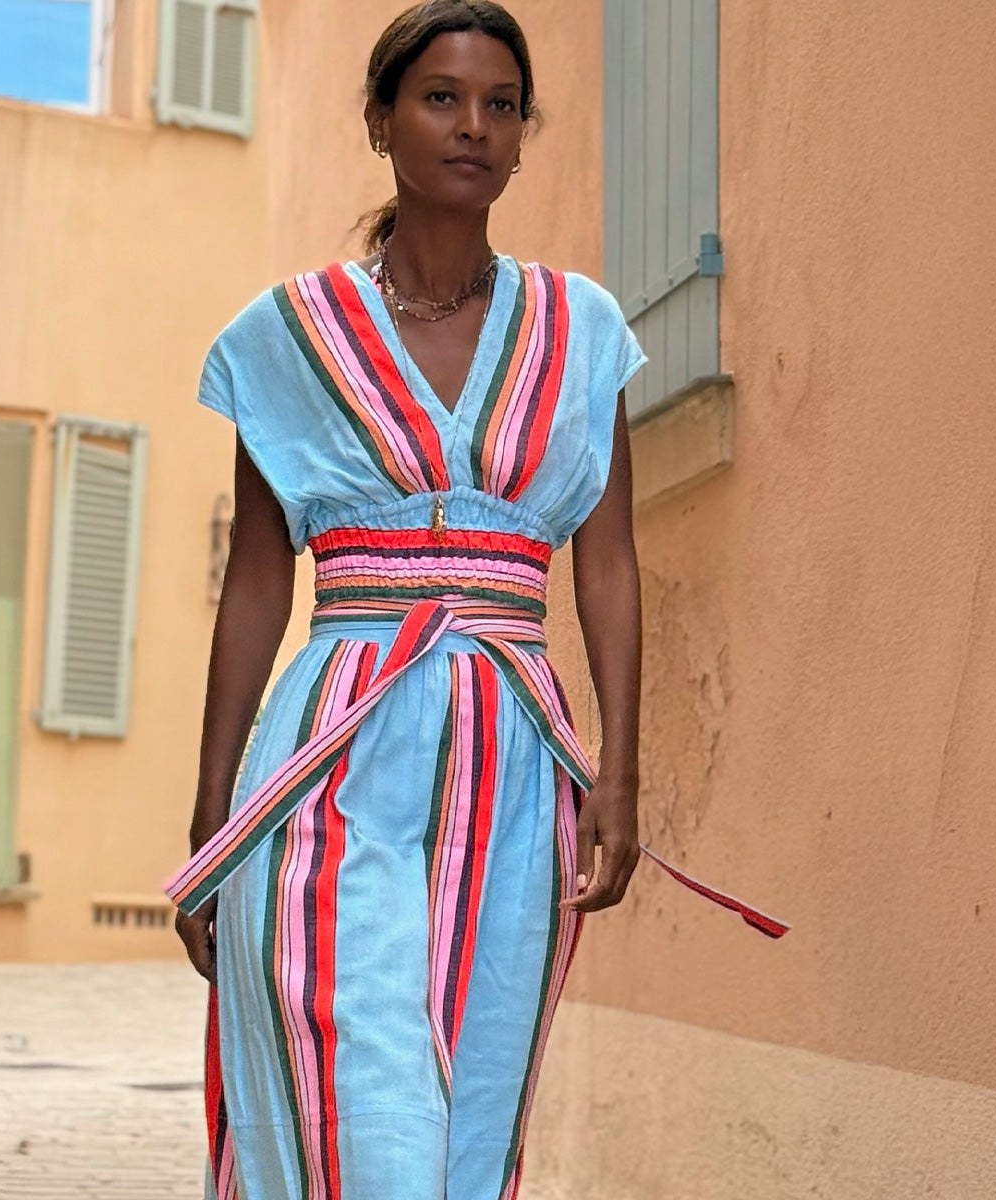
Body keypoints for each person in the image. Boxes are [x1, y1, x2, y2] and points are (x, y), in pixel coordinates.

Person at [168, 4, 645, 1197]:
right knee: (367, 1125)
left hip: (516, 768)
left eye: (500, 105)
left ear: (525, 136)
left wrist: (621, 773)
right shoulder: (286, 338)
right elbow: (256, 582)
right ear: (382, 120)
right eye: (440, 97)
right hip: (333, 749)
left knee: (470, 1127)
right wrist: (212, 815)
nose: (472, 126)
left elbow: (610, 564)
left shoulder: (585, 333)